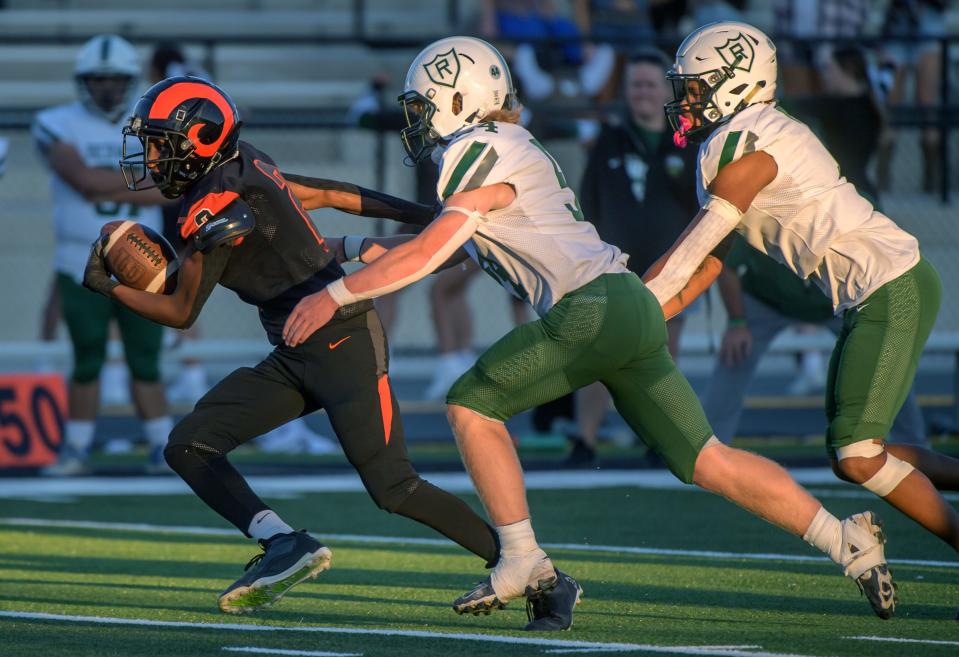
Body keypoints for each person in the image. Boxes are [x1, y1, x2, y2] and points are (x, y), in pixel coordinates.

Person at [280, 36, 898, 627]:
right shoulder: (505, 147)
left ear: (458, 100)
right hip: (624, 304)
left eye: (422, 107)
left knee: (471, 405)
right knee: (707, 459)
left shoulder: (481, 147)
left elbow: (428, 252)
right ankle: (845, 542)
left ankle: (521, 556)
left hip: (591, 308)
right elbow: (444, 247)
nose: (416, 122)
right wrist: (347, 243)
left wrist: (334, 295)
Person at [82, 76, 502, 616]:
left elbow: (181, 313)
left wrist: (109, 286)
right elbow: (331, 194)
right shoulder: (245, 164)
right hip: (296, 349)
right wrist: (430, 219)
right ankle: (284, 543)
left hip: (343, 343)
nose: (152, 154)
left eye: (161, 142)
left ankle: (526, 565)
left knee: (395, 487)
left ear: (200, 141)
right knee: (189, 444)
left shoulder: (215, 204)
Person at [649, 20, 959, 594]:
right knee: (860, 450)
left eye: (695, 87)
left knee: (858, 453)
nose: (683, 101)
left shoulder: (747, 140)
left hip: (888, 286)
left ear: (736, 84)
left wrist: (638, 303)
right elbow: (708, 261)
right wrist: (650, 307)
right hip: (875, 292)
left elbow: (702, 239)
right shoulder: (739, 136)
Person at [34, 34, 174, 476]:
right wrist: (140, 180)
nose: (108, 87)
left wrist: (107, 179)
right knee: (88, 356)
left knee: (146, 360)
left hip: (144, 259)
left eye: (115, 79)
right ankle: (76, 449)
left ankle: (162, 449)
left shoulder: (153, 122)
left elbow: (174, 191)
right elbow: (84, 182)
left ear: (130, 80)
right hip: (80, 260)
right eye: (98, 78)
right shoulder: (57, 122)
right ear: (83, 81)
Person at [569, 47, 700, 466]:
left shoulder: (687, 142)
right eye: (635, 86)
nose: (641, 93)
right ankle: (584, 440)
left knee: (663, 357)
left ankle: (659, 439)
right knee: (599, 355)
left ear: (665, 89)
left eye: (649, 85)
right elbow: (587, 202)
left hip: (670, 268)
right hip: (615, 270)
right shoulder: (609, 139)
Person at [704, 237, 928, 447]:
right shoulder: (765, 206)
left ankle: (915, 448)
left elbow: (886, 263)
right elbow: (727, 265)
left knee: (884, 361)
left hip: (838, 299)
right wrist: (736, 322)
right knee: (734, 355)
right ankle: (707, 450)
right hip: (767, 297)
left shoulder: (851, 205)